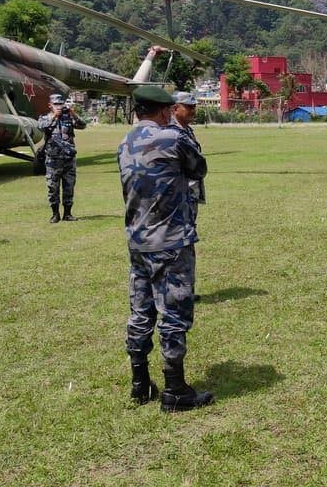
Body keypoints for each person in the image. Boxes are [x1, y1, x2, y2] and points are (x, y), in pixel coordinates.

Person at [118, 85, 213, 411]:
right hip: (171, 240)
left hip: (138, 242)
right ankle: (175, 391)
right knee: (173, 316)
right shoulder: (173, 138)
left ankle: (139, 382)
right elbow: (198, 169)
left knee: (141, 312)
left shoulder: (124, 143)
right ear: (163, 111)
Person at [38, 93, 87, 223]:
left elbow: (83, 125)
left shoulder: (68, 118)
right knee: (53, 187)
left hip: (69, 159)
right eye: (56, 104)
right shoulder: (45, 117)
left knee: (69, 187)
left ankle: (67, 213)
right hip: (53, 159)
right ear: (50, 105)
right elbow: (41, 127)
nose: (59, 107)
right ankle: (55, 214)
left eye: (61, 104)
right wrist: (54, 116)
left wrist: (72, 113)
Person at [169, 91, 205, 218]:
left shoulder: (187, 130)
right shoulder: (170, 132)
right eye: (189, 107)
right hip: (177, 195)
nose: (193, 110)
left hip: (190, 192)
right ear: (175, 108)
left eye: (194, 106)